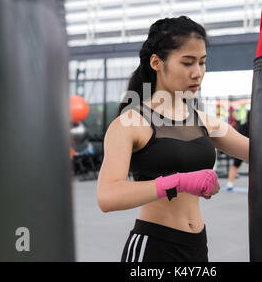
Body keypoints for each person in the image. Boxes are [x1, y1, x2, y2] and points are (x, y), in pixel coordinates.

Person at [96, 16, 249, 262]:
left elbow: (261, 154)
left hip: (197, 246)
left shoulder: (203, 120)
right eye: (187, 62)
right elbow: (107, 196)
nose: (197, 73)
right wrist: (179, 181)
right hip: (154, 247)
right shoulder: (130, 122)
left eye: (202, 62)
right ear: (157, 62)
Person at [226, 110, 250, 191]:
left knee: (235, 166)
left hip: (243, 148)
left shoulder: (244, 126)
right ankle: (229, 183)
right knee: (236, 165)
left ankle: (229, 183)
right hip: (246, 148)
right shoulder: (248, 127)